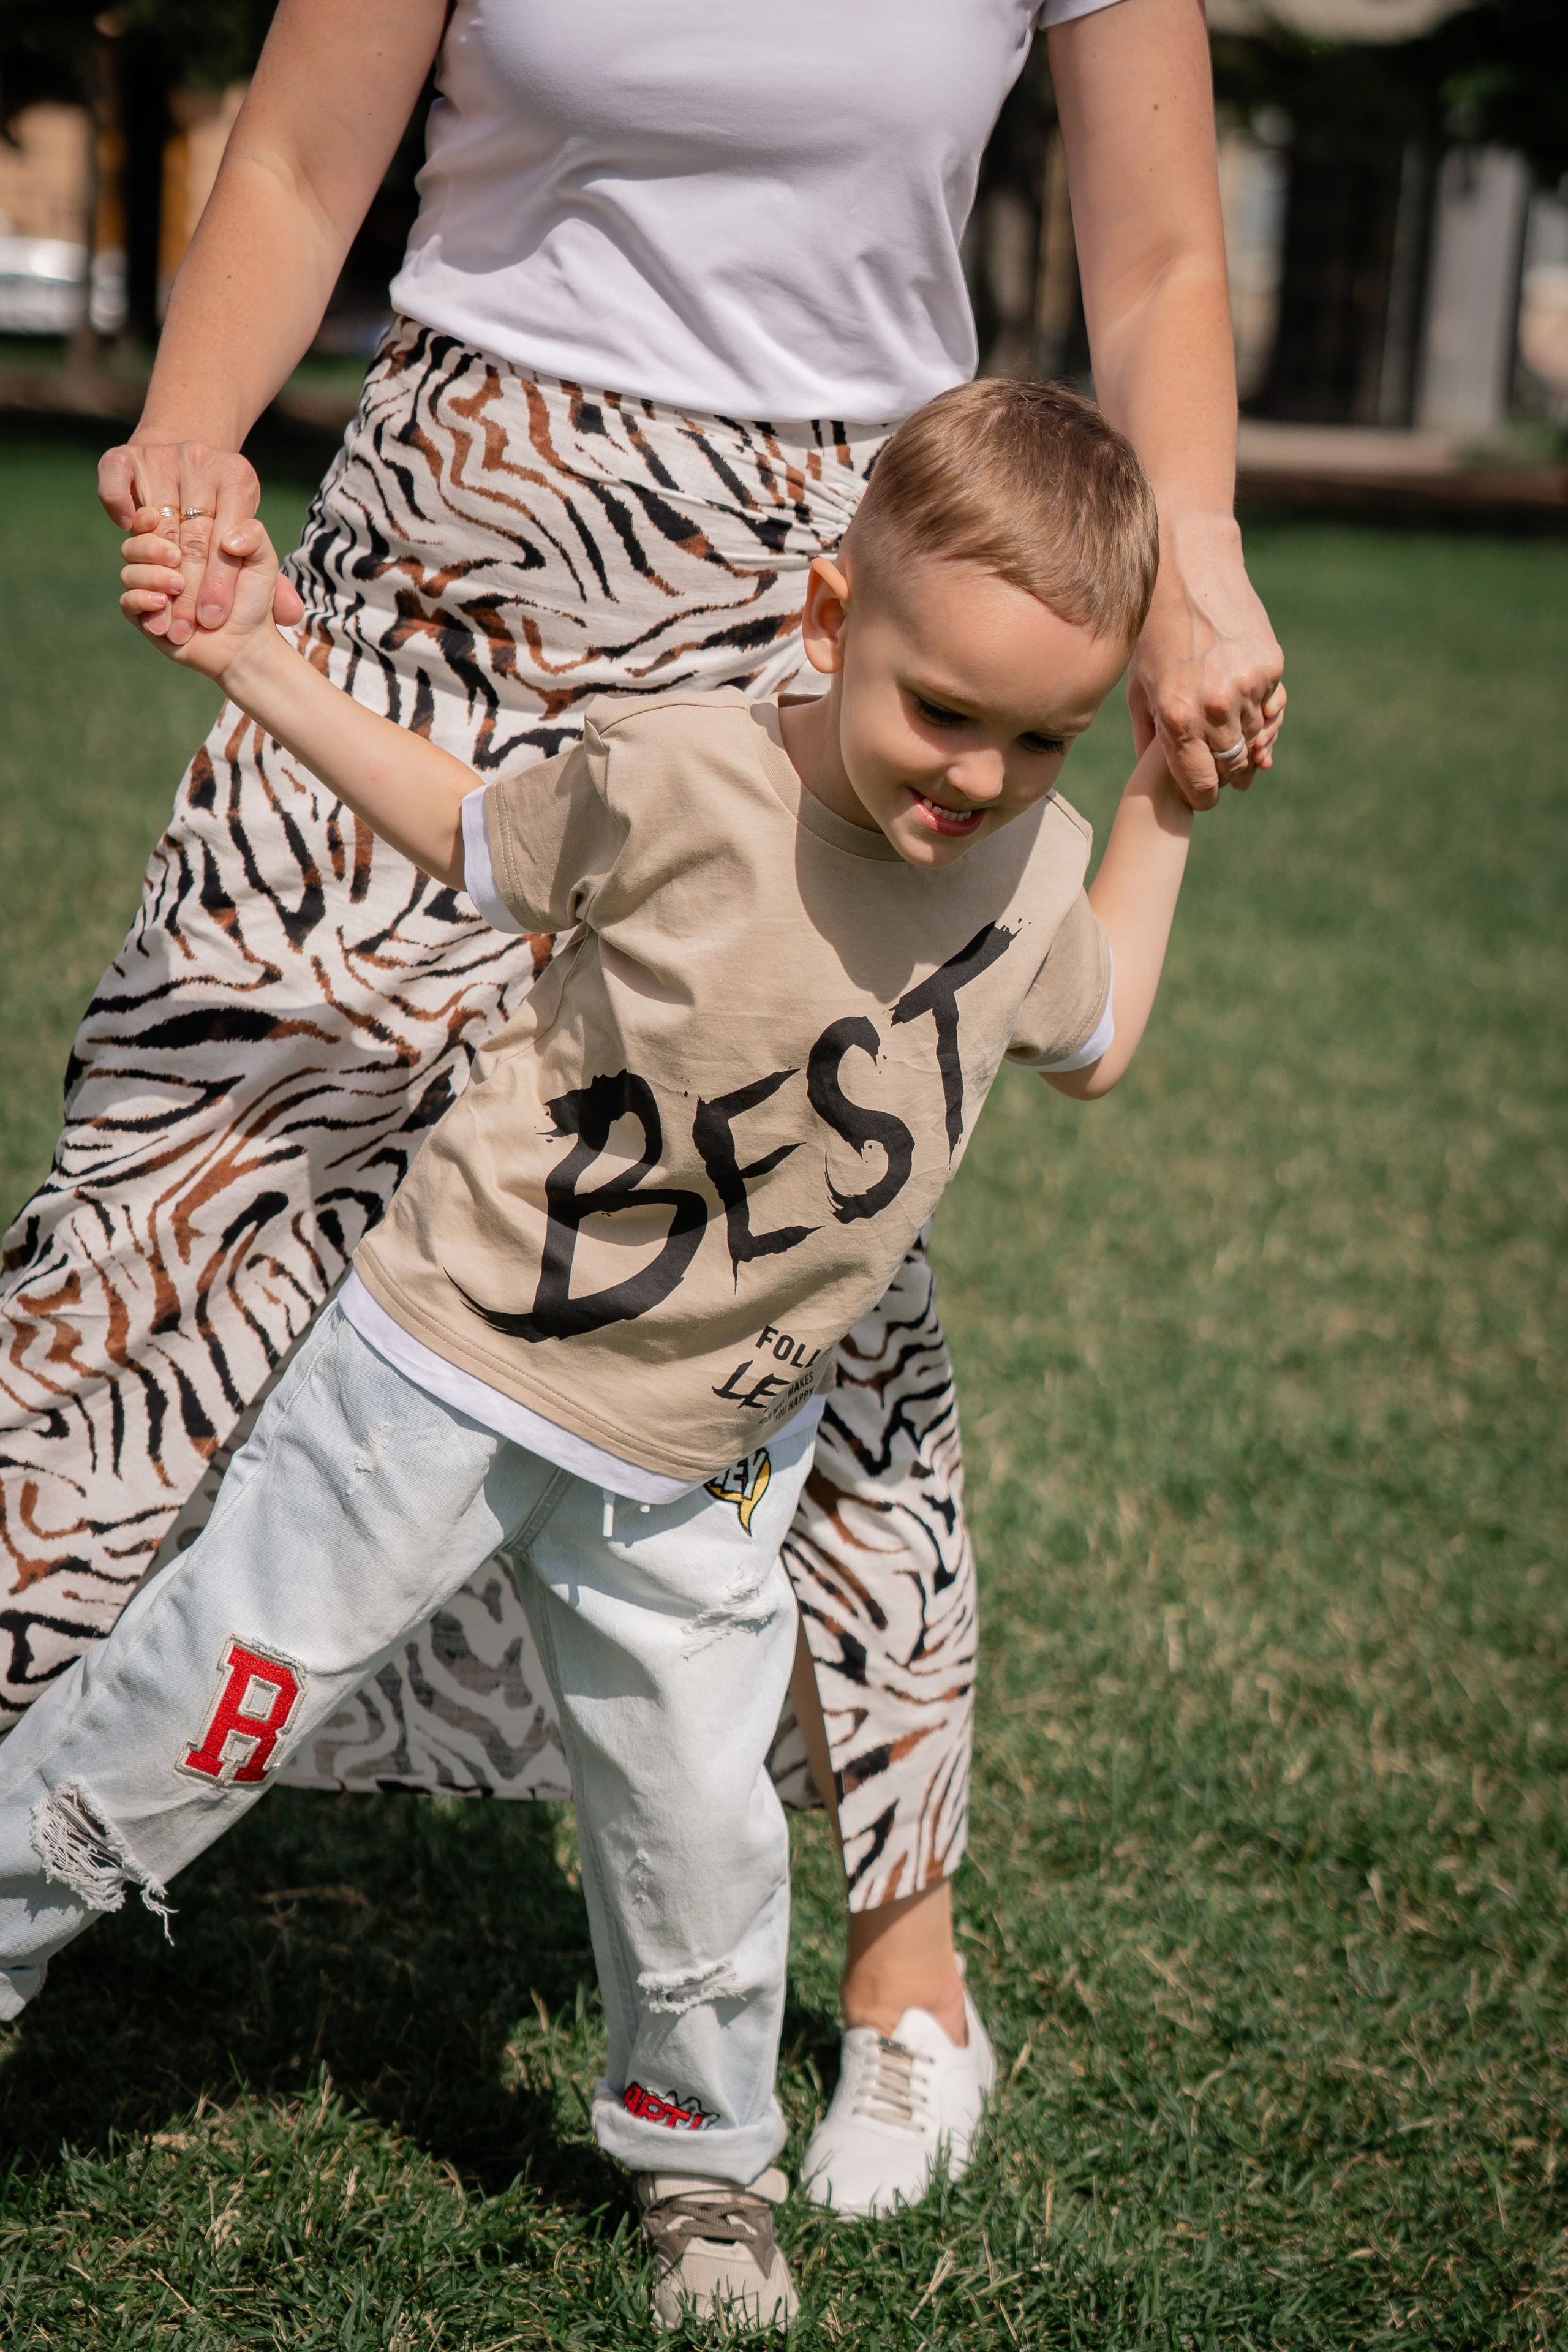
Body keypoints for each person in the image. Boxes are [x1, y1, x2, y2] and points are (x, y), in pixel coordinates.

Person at [0, 0, 1284, 2215]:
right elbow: (307, 160)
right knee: (172, 1169)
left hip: (836, 587)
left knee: (796, 1278)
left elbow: (1161, 259)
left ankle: (902, 1974)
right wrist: (203, 441)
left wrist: (1198, 557)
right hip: (448, 558)